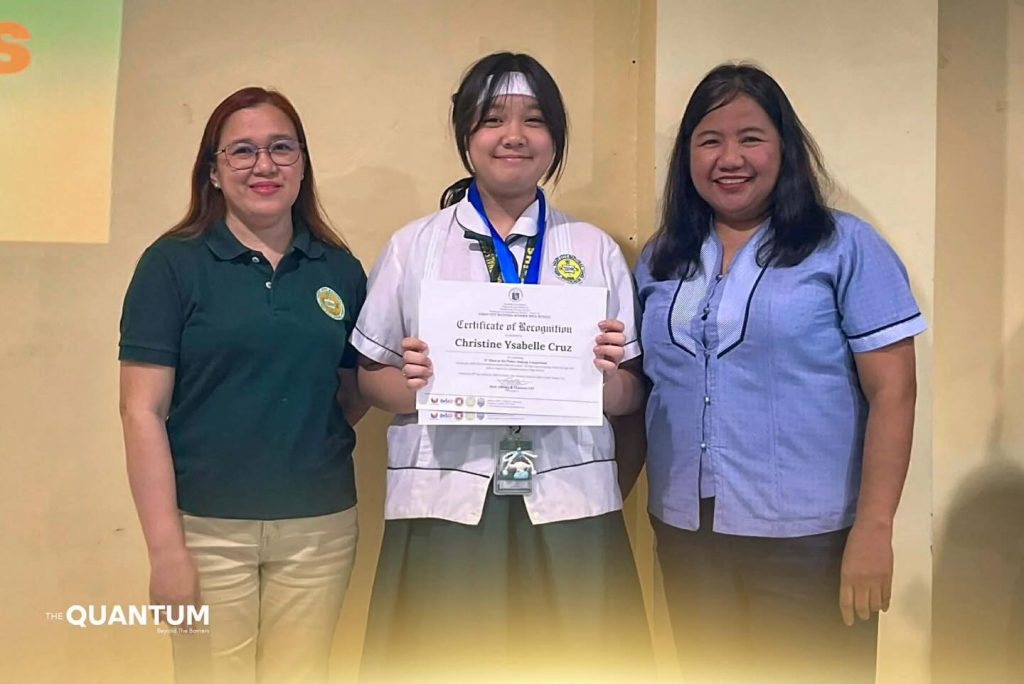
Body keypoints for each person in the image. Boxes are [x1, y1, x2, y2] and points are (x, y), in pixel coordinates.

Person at [352, 52, 652, 682]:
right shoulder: (413, 247)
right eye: (493, 119)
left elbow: (632, 394)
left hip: (569, 498)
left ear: (555, 139)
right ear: (466, 134)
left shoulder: (593, 249)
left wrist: (604, 381)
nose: (513, 135)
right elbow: (368, 377)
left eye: (534, 120)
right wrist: (413, 386)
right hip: (445, 496)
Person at [635, 63, 926, 684]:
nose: (730, 158)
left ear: (785, 148)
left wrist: (875, 531)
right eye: (709, 141)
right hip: (688, 536)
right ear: (687, 155)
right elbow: (645, 388)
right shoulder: (661, 257)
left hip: (811, 544)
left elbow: (894, 393)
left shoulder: (845, 246)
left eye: (751, 138)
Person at [118, 87, 366, 684]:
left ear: (302, 164)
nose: (264, 165)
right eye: (243, 151)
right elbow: (140, 411)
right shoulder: (171, 264)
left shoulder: (339, 269)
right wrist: (166, 551)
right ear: (214, 170)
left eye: (282, 148)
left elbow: (351, 390)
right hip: (207, 530)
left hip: (320, 528)